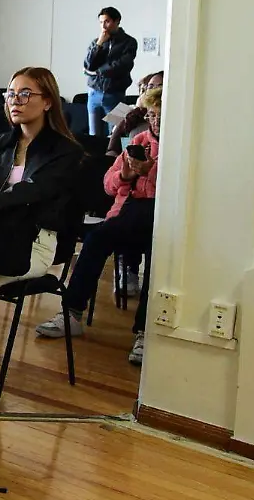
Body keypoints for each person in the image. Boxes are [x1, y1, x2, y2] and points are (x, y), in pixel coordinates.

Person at [0, 67, 83, 400]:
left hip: (35, 246)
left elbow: (30, 191)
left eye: (25, 94)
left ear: (47, 102)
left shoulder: (65, 152)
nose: (15, 101)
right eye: (11, 94)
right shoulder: (1, 143)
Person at [36, 86, 162, 366]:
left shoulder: (179, 149)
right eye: (152, 115)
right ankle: (72, 313)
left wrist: (152, 171)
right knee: (94, 241)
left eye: (161, 115)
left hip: (162, 220)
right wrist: (126, 174)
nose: (156, 121)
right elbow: (108, 185)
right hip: (125, 213)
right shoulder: (138, 139)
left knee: (159, 256)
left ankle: (144, 332)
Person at [84, 6, 138, 137]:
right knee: (93, 134)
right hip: (94, 94)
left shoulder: (129, 42)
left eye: (107, 21)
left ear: (117, 21)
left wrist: (99, 72)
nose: (104, 26)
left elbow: (123, 65)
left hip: (115, 94)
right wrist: (100, 43)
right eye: (101, 22)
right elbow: (89, 65)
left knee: (115, 134)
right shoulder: (96, 42)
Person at [106, 71, 164, 156]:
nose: (153, 90)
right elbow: (111, 131)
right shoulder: (129, 109)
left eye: (159, 86)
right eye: (150, 86)